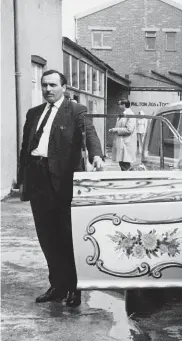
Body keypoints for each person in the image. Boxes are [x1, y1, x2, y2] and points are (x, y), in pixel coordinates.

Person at [17, 70, 104, 307]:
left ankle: (74, 289)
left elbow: (90, 134)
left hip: (63, 182)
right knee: (46, 236)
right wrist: (22, 179)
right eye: (44, 85)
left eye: (53, 85)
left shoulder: (75, 111)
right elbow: (25, 148)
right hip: (37, 179)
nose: (48, 89)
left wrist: (96, 155)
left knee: (67, 236)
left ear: (64, 87)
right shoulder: (34, 113)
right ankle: (57, 285)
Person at [109, 99, 136, 171]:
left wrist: (116, 130)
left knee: (125, 165)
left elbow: (129, 130)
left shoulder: (130, 114)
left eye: (119, 104)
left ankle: (129, 179)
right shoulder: (123, 114)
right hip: (122, 143)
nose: (118, 106)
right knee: (123, 164)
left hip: (125, 143)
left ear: (124, 105)